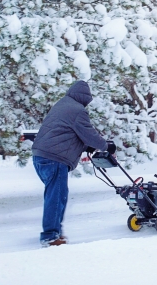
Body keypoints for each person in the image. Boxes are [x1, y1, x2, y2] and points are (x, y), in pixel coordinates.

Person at [31, 80, 114, 246]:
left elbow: (65, 133)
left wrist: (86, 146)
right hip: (54, 158)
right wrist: (107, 146)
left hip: (40, 156)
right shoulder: (77, 110)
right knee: (56, 197)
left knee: (57, 195)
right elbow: (88, 133)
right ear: (85, 97)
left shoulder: (62, 105)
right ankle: (50, 236)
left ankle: (55, 231)